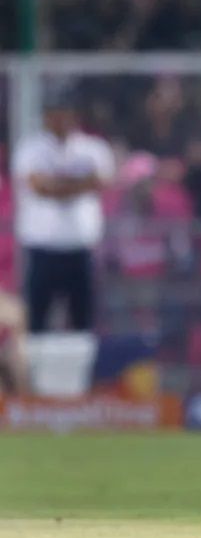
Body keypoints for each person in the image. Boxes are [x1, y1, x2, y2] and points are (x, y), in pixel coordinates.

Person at [11, 98, 114, 396]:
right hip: (42, 250)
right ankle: (33, 390)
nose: (61, 120)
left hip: (80, 250)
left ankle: (81, 389)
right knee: (37, 324)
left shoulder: (93, 148)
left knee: (83, 324)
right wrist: (77, 184)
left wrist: (59, 186)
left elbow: (102, 181)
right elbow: (40, 187)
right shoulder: (31, 148)